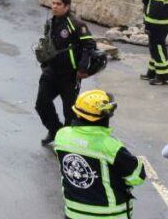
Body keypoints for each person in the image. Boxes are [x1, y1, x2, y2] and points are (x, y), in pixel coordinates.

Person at [54, 90, 146, 218]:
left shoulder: (62, 136)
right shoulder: (110, 146)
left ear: (77, 113)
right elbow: (138, 176)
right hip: (109, 215)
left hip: (73, 213)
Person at [36, 0, 96, 146]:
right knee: (41, 104)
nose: (54, 7)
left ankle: (68, 142)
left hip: (69, 75)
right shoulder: (50, 22)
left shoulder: (76, 24)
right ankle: (55, 130)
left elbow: (89, 46)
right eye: (53, 3)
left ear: (67, 6)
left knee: (69, 112)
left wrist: (82, 69)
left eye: (58, 4)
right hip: (51, 72)